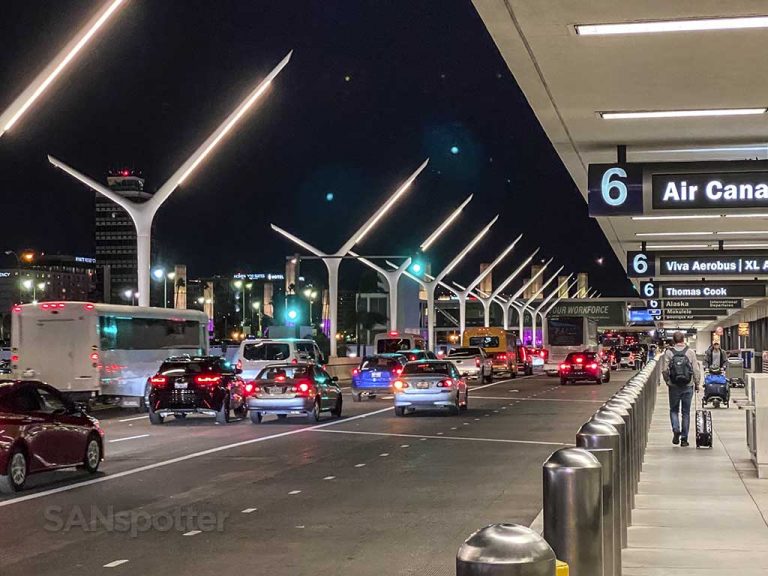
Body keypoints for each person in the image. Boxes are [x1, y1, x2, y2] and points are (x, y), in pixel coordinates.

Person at [661, 331, 702, 447]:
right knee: (686, 413)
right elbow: (696, 369)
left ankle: (675, 428)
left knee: (674, 410)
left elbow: (664, 370)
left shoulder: (669, 352)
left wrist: (668, 381)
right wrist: (697, 383)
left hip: (674, 386)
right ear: (683, 339)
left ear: (673, 340)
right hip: (687, 386)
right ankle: (684, 439)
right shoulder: (690, 352)